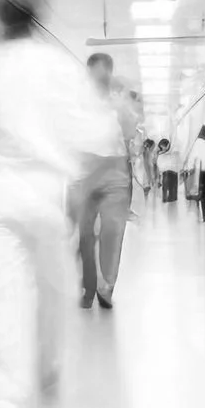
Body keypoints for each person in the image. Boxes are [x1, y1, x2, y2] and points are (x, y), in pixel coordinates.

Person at [0, 0, 99, 408]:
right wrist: (80, 182)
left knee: (2, 292)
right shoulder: (59, 68)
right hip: (46, 194)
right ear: (37, 19)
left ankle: (6, 395)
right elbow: (89, 129)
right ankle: (48, 366)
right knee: (54, 286)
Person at [71, 52, 136, 308]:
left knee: (112, 229)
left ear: (109, 73)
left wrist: (123, 103)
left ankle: (106, 286)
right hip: (85, 172)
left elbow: (130, 132)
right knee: (85, 234)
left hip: (114, 173)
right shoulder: (76, 102)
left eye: (103, 74)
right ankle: (88, 286)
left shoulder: (118, 101)